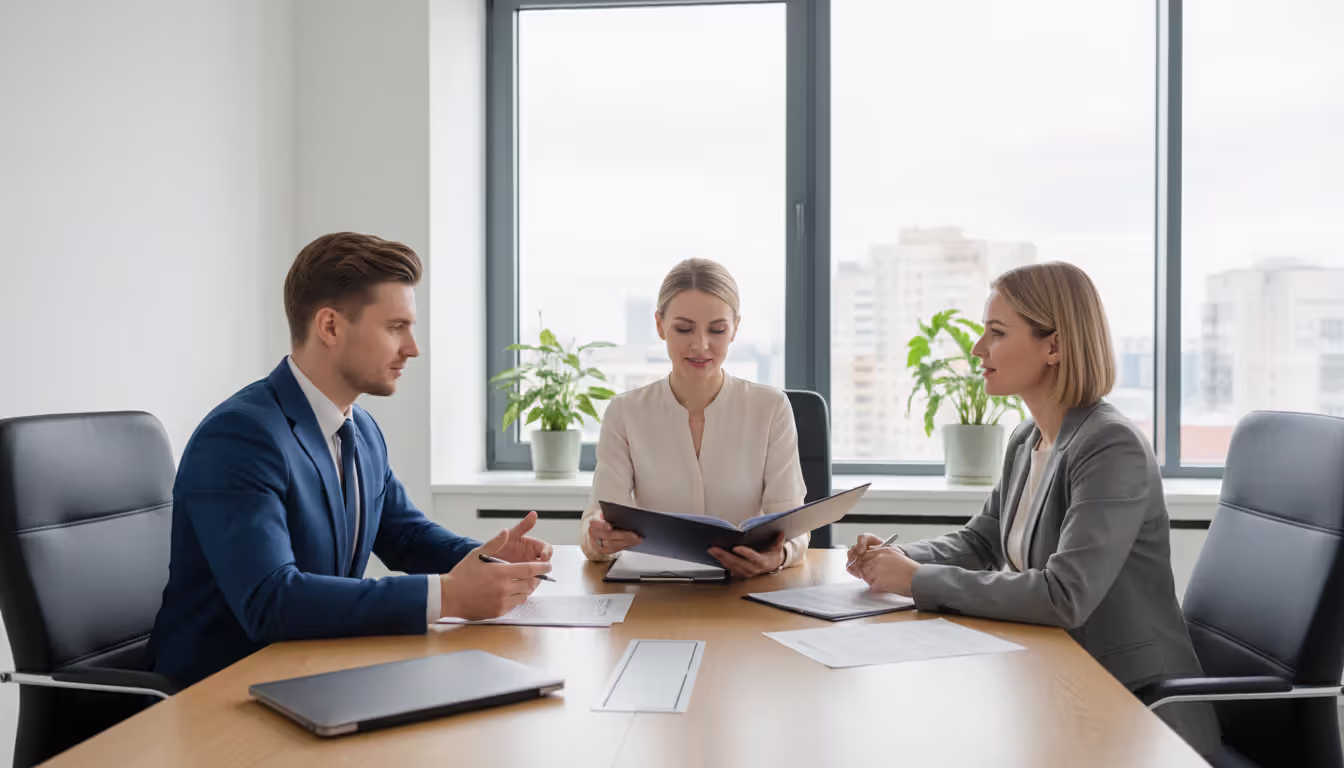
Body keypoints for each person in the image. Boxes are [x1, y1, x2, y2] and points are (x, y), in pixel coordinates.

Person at [847, 262, 1222, 757]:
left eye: (996, 333)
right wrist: (893, 561)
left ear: (1055, 346)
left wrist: (915, 580)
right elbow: (980, 541)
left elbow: (1064, 595)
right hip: (1059, 679)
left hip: (1134, 710)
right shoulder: (1029, 438)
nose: (978, 349)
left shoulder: (1112, 446)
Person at [149, 233, 552, 687]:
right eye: (395, 327)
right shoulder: (241, 436)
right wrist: (448, 596)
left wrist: (491, 561)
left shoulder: (359, 428)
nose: (413, 348)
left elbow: (405, 535)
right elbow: (271, 600)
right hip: (220, 694)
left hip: (316, 673)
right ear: (331, 327)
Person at [580, 258, 807, 578]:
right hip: (656, 593)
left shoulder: (771, 408)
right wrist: (599, 539)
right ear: (659, 325)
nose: (701, 345)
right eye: (684, 329)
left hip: (746, 592)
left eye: (717, 330)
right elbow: (597, 520)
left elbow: (794, 526)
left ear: (736, 329)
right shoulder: (625, 413)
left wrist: (779, 556)